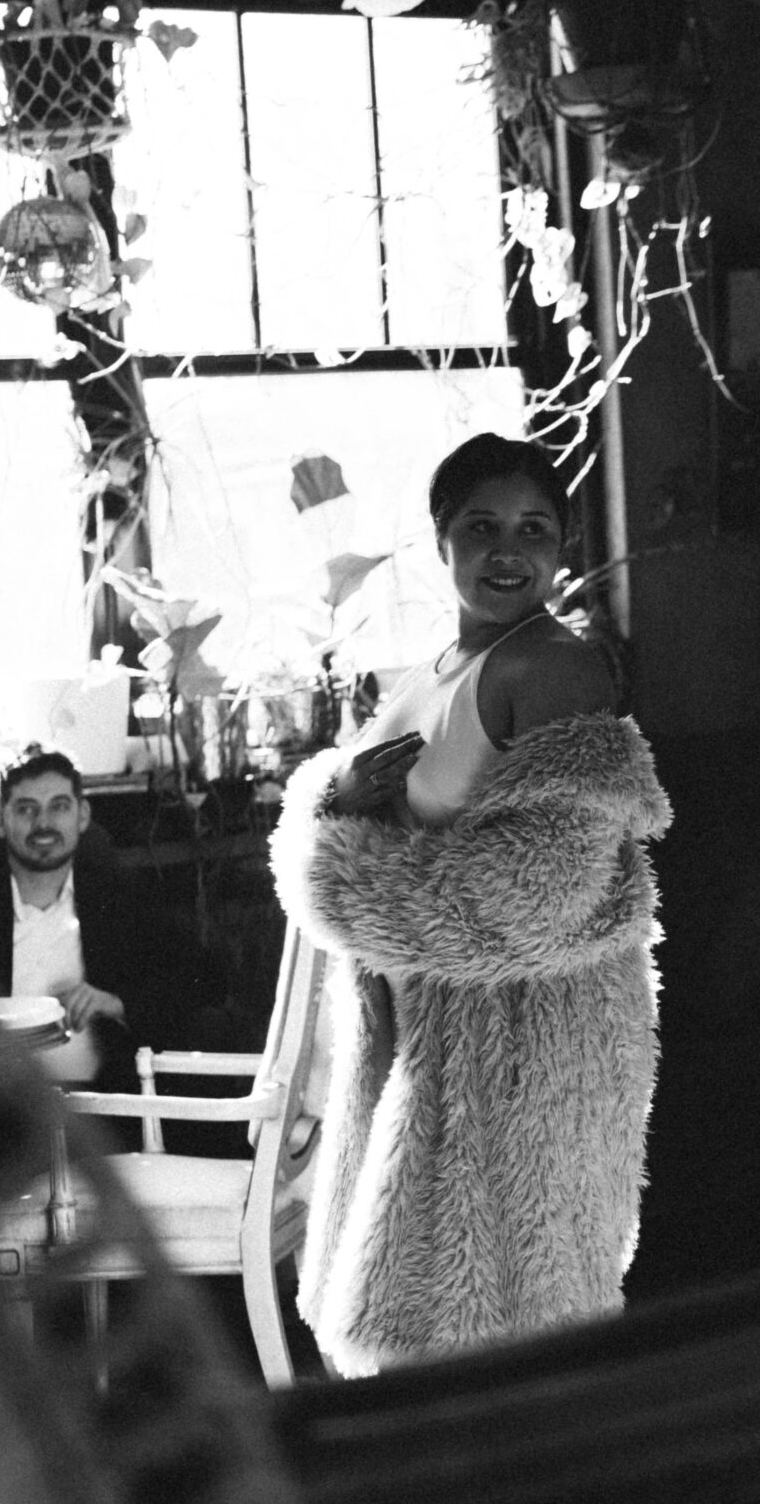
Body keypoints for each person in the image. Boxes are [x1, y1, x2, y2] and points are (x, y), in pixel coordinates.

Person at [270, 431, 672, 1376]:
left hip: (527, 1047)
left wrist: (334, 863)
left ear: (563, 548)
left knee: (506, 1342)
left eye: (534, 530)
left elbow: (539, 892)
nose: (508, 551)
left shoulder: (556, 669)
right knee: (424, 1334)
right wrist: (339, 806)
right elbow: (401, 823)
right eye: (481, 526)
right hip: (430, 1038)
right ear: (440, 538)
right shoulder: (434, 668)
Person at [0, 748, 216, 1089]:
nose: (44, 824)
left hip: (104, 1110)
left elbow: (205, 977)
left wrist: (117, 1004)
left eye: (59, 807)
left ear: (82, 816)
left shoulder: (118, 895)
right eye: (26, 809)